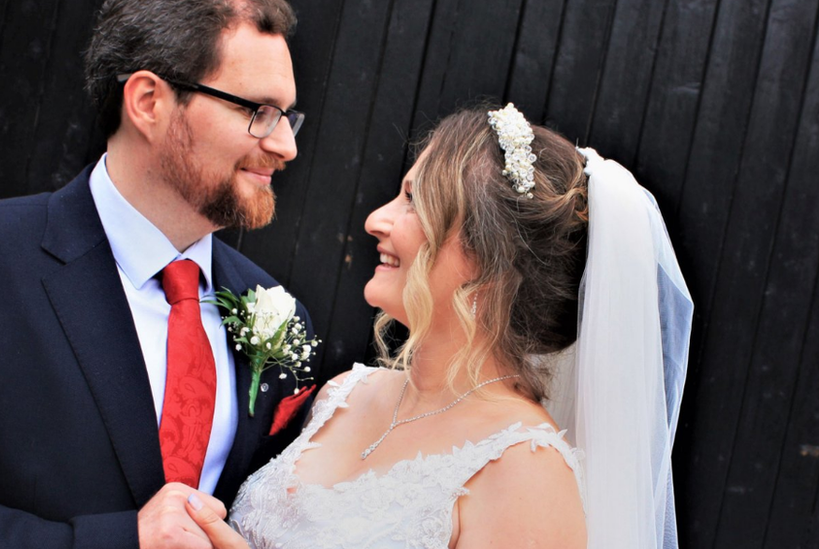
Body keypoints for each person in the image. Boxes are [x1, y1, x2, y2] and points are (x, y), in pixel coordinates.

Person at [0, 0, 323, 548]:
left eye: (288, 115)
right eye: (258, 111)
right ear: (148, 102)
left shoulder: (283, 317)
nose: (285, 145)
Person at [182, 103, 692, 548]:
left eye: (414, 200)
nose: (376, 220)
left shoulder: (524, 469)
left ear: (490, 263)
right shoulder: (343, 394)